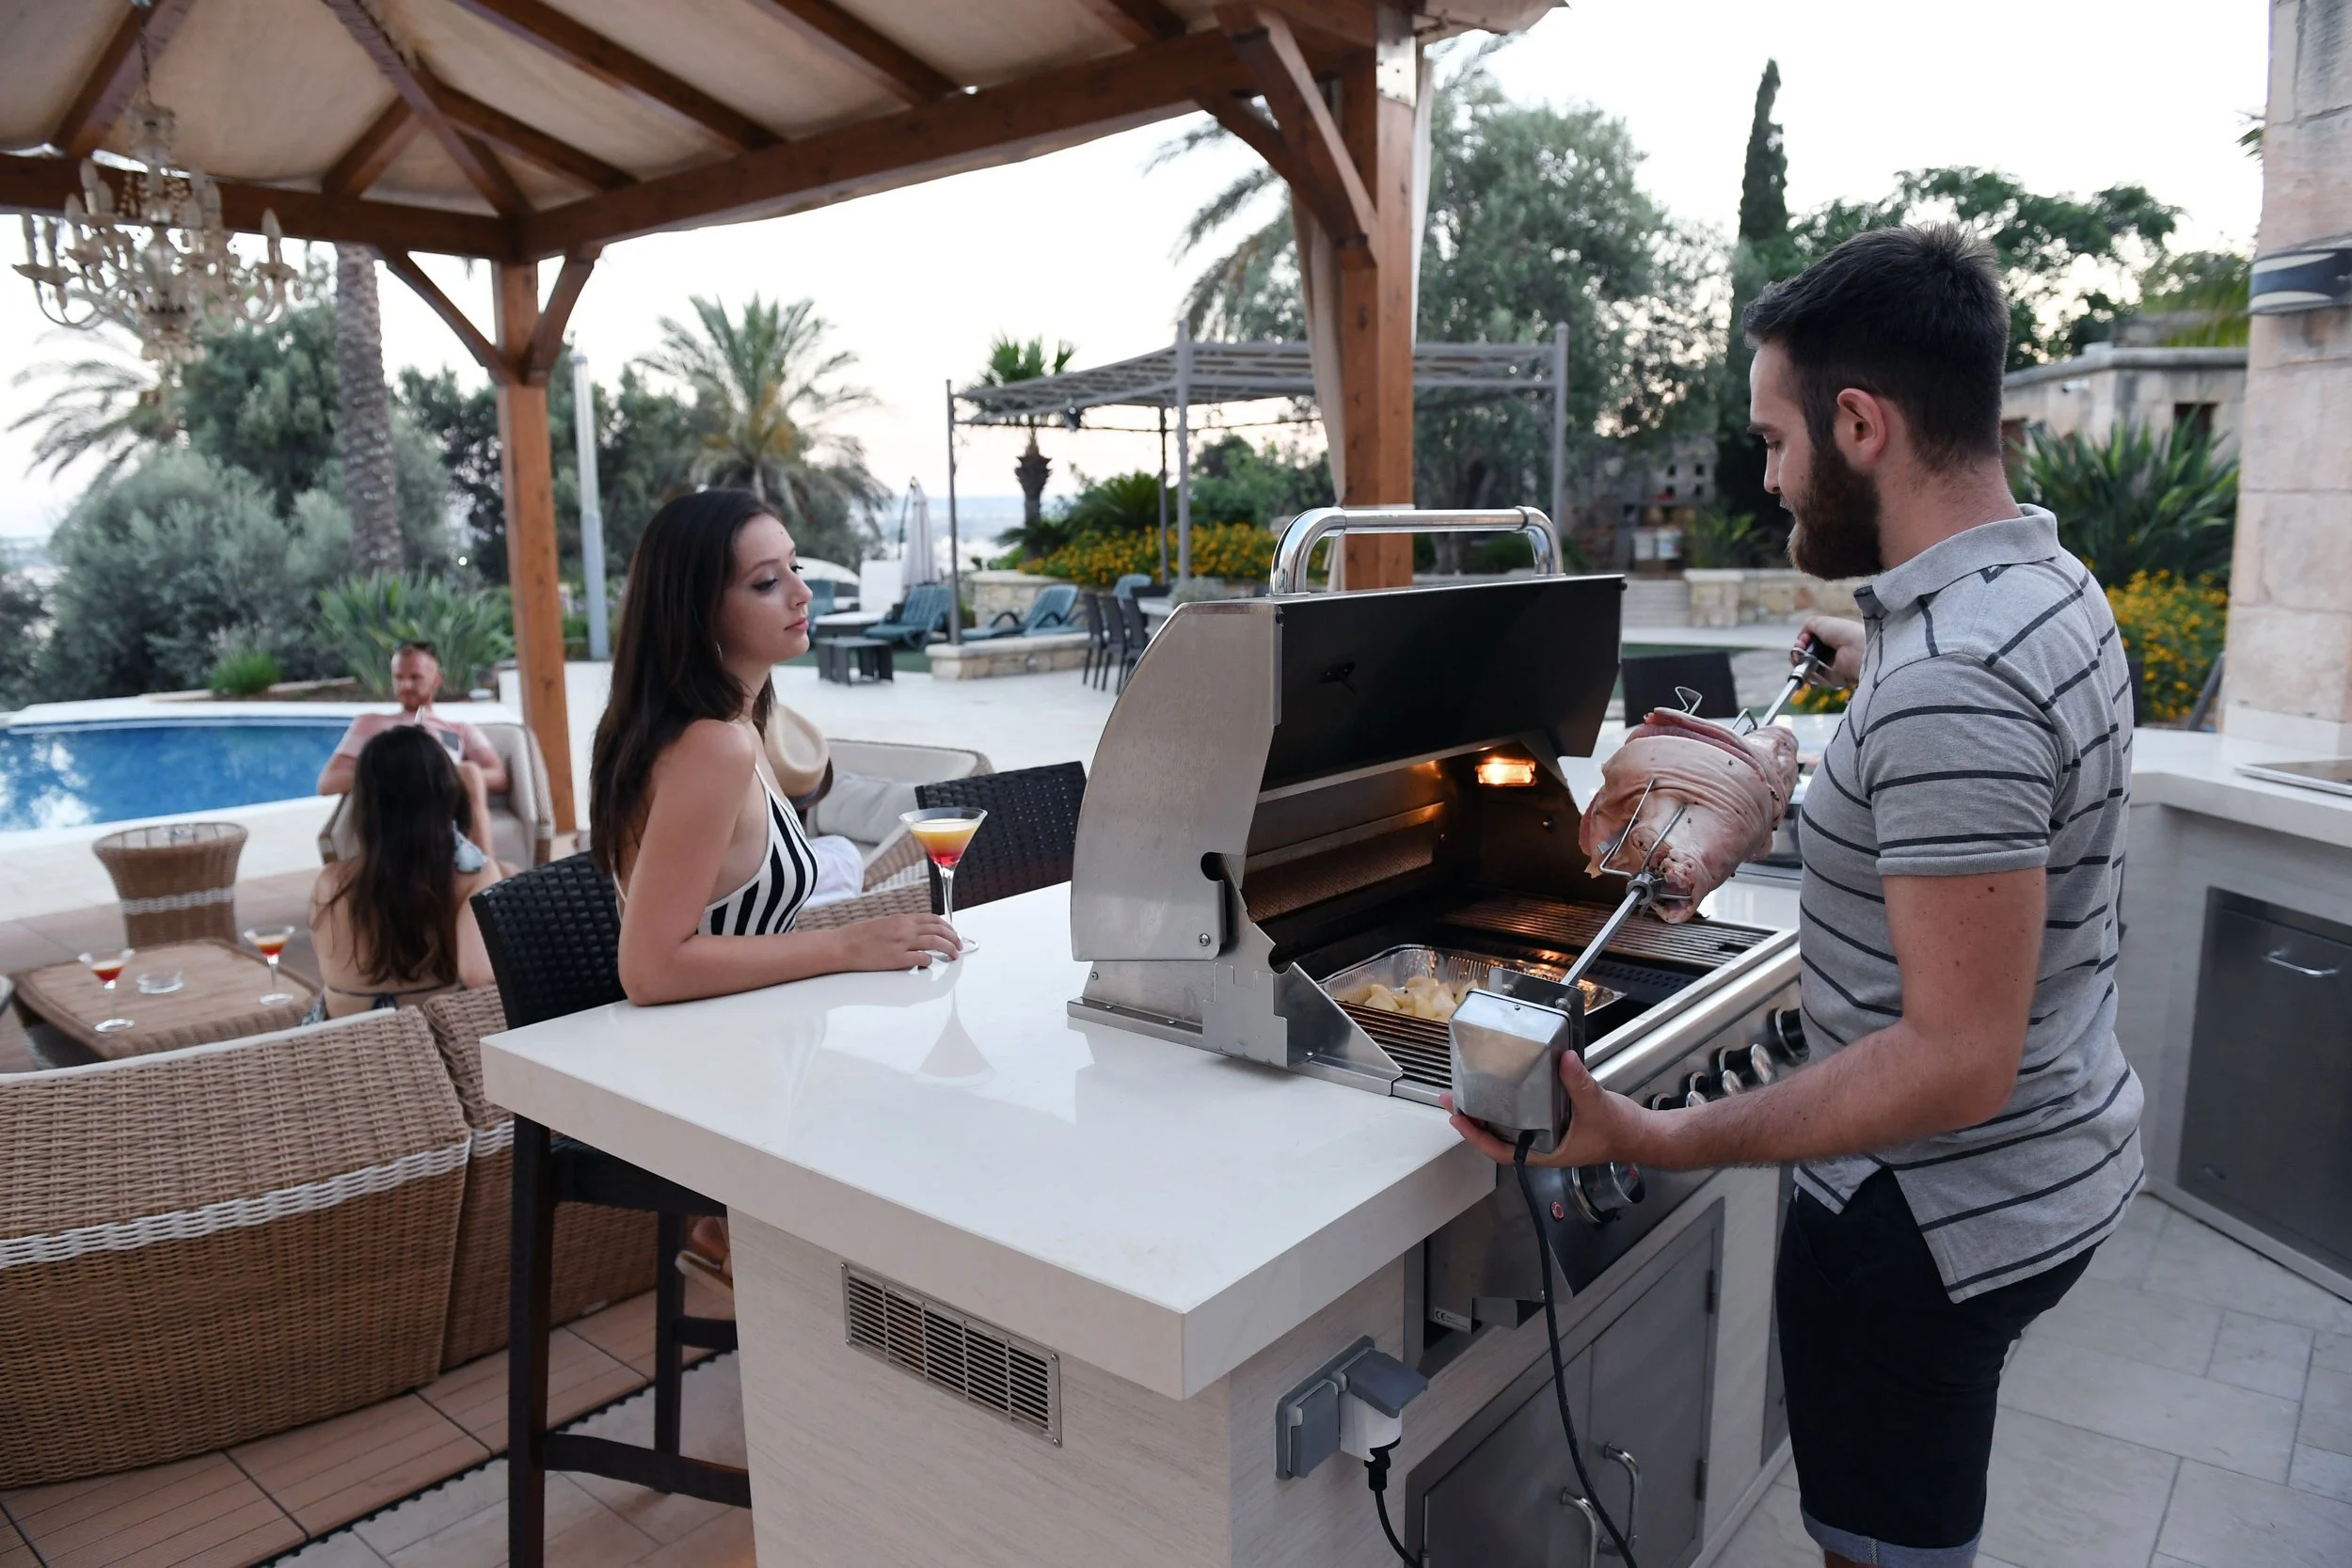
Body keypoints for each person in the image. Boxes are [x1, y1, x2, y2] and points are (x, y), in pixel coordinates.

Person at [1452, 226, 2139, 1568]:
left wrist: (1646, 1133)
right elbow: (1955, 745)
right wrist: (1870, 650)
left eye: (1776, 440)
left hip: (1929, 1216)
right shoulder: (2041, 588)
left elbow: (1952, 1061)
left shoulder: (1954, 678)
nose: (1767, 476)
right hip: (2056, 1161)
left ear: (1863, 422)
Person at [589, 489, 960, 1285]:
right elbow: (649, 968)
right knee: (953, 1139)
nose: (801, 592)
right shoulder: (711, 747)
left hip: (757, 1059)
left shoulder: (731, 729)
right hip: (723, 1093)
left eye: (794, 567)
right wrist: (846, 945)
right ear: (697, 610)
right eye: (764, 581)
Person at [310, 725, 504, 1019]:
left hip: (339, 1048)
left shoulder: (329, 882)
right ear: (446, 792)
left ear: (365, 805)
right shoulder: (472, 877)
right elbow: (482, 977)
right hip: (432, 1048)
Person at [318, 641, 510, 800]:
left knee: (469, 773)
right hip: (390, 815)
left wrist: (441, 779)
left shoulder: (459, 730)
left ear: (436, 680)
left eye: (415, 677)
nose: (405, 685)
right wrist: (397, 779)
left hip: (443, 809)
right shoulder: (370, 724)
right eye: (398, 677)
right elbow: (329, 782)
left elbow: (498, 776)